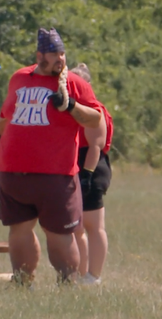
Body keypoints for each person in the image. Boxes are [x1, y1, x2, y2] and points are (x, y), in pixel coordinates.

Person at [0, 28, 103, 284]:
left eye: (62, 54)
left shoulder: (75, 84)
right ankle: (23, 281)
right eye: (54, 55)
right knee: (19, 229)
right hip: (13, 169)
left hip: (55, 173)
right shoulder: (20, 77)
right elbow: (6, 116)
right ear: (40, 56)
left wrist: (71, 106)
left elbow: (95, 118)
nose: (60, 60)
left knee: (59, 234)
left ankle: (68, 282)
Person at [69, 63, 114, 286]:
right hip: (73, 163)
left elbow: (95, 146)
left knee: (93, 225)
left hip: (92, 165)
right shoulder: (69, 108)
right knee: (74, 227)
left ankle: (94, 276)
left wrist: (86, 175)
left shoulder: (94, 110)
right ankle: (80, 273)